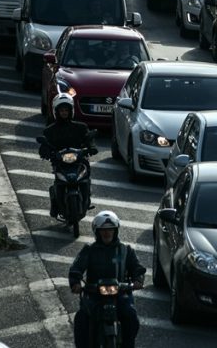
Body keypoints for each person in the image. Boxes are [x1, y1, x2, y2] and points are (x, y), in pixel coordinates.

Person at [70, 211, 146, 348]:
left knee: (131, 316)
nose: (107, 233)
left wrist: (138, 280)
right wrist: (75, 282)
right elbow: (77, 267)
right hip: (94, 294)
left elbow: (137, 267)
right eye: (103, 230)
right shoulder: (89, 250)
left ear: (115, 231)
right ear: (97, 232)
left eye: (110, 229)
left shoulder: (125, 250)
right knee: (82, 318)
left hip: (121, 293)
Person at [41, 93, 96, 218]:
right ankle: (55, 205)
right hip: (61, 163)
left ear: (71, 111)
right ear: (57, 112)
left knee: (86, 178)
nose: (64, 113)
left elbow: (89, 138)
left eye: (66, 110)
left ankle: (87, 198)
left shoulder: (81, 127)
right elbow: (44, 144)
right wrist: (45, 152)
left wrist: (91, 147)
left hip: (79, 161)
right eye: (61, 110)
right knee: (58, 183)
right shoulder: (50, 130)